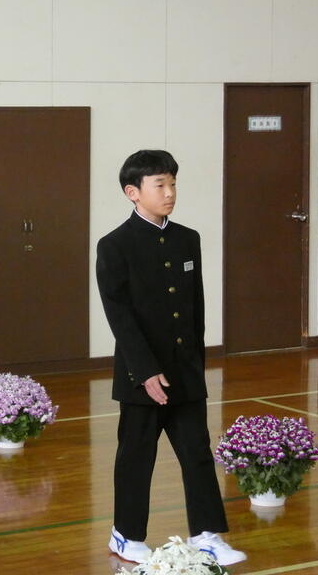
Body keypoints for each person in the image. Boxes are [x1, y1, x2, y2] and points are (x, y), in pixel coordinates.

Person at [95, 150, 245, 566]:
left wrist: (195, 366)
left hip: (185, 372)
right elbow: (119, 316)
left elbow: (194, 309)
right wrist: (146, 372)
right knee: (136, 457)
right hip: (141, 375)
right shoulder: (114, 245)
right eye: (160, 185)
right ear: (133, 192)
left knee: (197, 452)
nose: (170, 192)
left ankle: (206, 534)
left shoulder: (187, 238)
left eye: (173, 183)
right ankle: (125, 536)